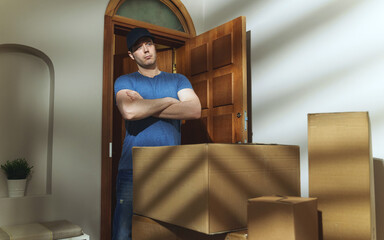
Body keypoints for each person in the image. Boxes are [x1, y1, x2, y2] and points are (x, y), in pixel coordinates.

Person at [112, 28, 201, 240]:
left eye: (148, 44)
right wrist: (170, 101)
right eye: (138, 47)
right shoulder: (125, 81)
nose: (145, 49)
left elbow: (194, 110)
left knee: (165, 230)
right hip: (132, 169)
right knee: (124, 232)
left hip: (169, 168)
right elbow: (130, 111)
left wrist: (145, 105)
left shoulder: (178, 80)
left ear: (155, 47)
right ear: (131, 55)